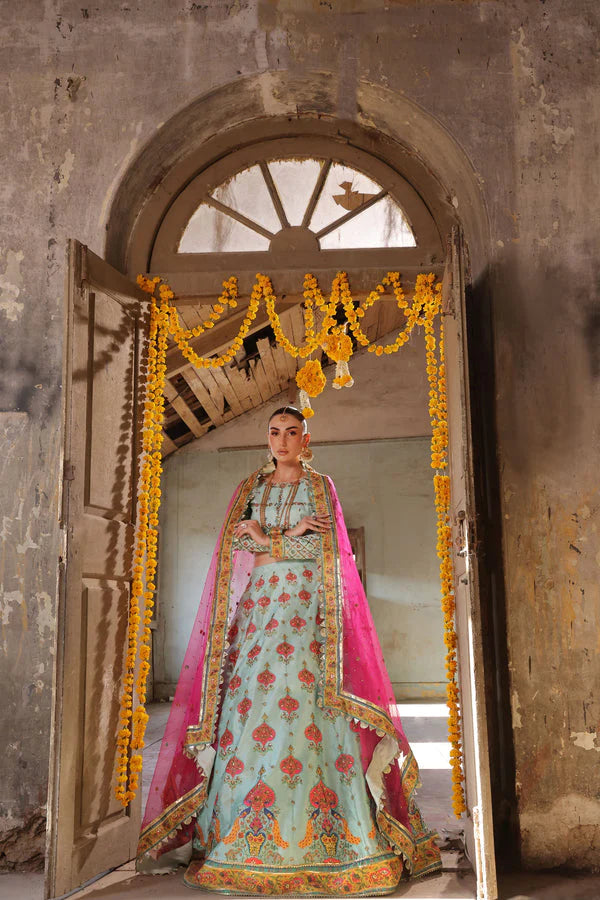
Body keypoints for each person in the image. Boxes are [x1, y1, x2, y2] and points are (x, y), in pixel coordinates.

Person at [137, 406, 441, 895]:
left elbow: (328, 552)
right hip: (260, 612)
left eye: (291, 433)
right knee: (250, 708)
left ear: (306, 439)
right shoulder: (250, 488)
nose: (281, 441)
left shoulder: (321, 487)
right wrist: (284, 536)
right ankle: (237, 832)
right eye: (274, 432)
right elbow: (237, 547)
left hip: (308, 611)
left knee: (312, 707)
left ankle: (336, 836)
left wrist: (269, 540)